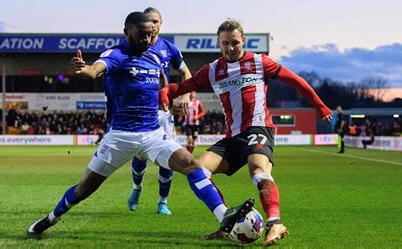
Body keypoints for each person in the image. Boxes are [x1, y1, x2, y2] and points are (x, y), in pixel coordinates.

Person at [27, 12, 253, 237]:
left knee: (191, 165)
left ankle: (224, 215)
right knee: (84, 189)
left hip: (153, 134)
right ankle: (51, 218)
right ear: (127, 32)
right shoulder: (115, 55)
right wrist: (84, 69)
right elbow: (95, 70)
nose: (147, 40)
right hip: (120, 137)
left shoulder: (154, 57)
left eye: (151, 35)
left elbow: (162, 85)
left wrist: (168, 99)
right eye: (142, 35)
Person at [161, 19, 332, 246]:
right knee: (197, 170)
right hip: (232, 137)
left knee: (258, 170)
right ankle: (226, 222)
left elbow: (297, 81)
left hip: (258, 127)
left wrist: (319, 105)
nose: (230, 48)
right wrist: (165, 93)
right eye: (225, 44)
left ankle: (275, 223)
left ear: (244, 41)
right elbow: (180, 88)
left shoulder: (260, 62)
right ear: (218, 44)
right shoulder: (212, 70)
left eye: (235, 43)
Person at [126, 7, 193, 216]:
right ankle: (137, 188)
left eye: (155, 21)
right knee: (141, 156)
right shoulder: (133, 48)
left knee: (168, 156)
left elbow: (186, 72)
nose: (152, 25)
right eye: (148, 22)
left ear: (161, 24)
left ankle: (162, 202)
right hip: (140, 111)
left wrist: (184, 95)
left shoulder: (168, 48)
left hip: (163, 112)